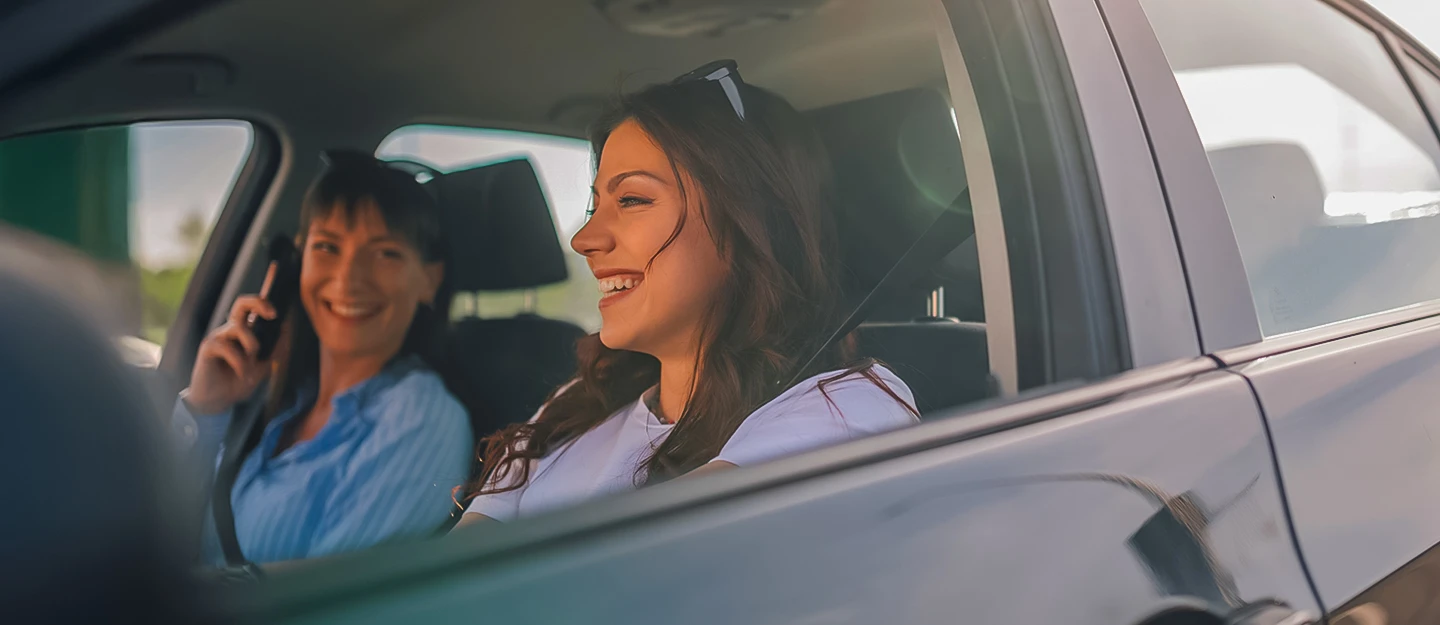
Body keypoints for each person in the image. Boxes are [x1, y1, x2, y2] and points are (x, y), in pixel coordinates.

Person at [458, 61, 918, 526]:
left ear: (749, 223)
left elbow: (624, 571)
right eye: (595, 205)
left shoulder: (848, 408)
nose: (584, 239)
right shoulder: (578, 403)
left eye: (632, 200)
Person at [172, 151, 472, 565]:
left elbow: (329, 603)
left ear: (429, 280)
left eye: (385, 253)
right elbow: (153, 530)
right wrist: (207, 410)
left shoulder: (421, 418)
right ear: (298, 263)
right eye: (327, 247)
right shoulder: (281, 398)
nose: (348, 278)